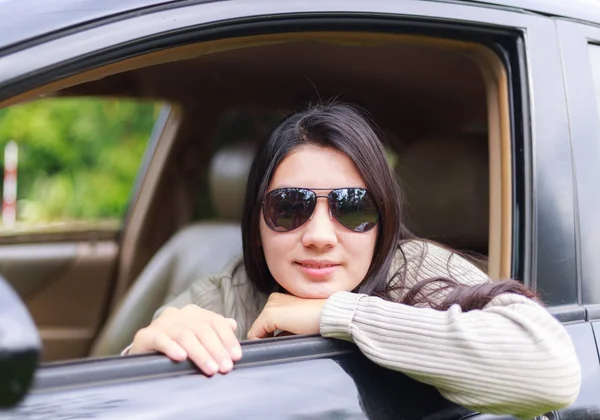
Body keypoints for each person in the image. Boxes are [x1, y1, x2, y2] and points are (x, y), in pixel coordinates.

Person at [127, 102, 581, 419]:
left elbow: (553, 372)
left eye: (353, 208)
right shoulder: (225, 293)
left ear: (383, 218)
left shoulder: (419, 271)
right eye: (289, 207)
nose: (320, 237)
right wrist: (147, 358)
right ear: (256, 221)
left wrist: (334, 314)